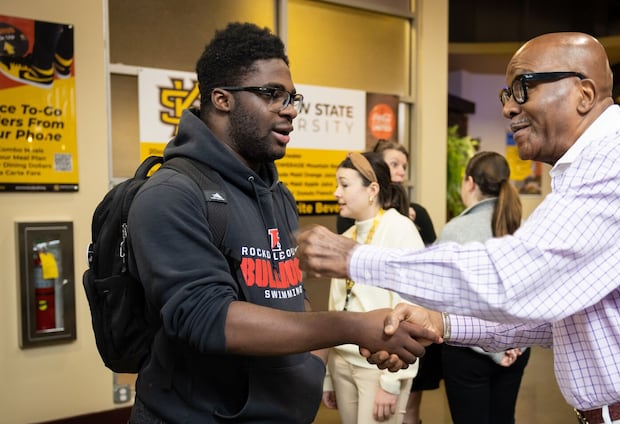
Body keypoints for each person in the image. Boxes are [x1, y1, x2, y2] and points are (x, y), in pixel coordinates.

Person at [296, 32, 620, 423]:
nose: (510, 109)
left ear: (585, 94)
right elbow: (559, 320)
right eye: (506, 95)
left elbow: (510, 278)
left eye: (523, 88)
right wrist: (442, 322)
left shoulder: (615, 165)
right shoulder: (601, 167)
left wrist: (353, 257)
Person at [125, 22, 433, 424]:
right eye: (272, 94)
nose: (289, 109)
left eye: (292, 97)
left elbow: (292, 290)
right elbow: (209, 320)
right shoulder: (171, 194)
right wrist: (351, 327)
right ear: (222, 99)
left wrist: (311, 365)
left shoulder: (275, 193)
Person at [336, 139, 439, 424]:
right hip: (343, 362)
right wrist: (329, 377)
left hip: (382, 367)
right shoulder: (346, 238)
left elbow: (413, 309)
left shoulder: (401, 230)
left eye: (344, 185)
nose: (336, 193)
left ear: (371, 190)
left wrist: (393, 381)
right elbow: (337, 305)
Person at [438, 151, 530, 424]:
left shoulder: (455, 230)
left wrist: (494, 348)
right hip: (517, 350)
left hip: (468, 353)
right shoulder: (523, 227)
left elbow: (446, 301)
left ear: (469, 183)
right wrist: (512, 345)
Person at [338, 140, 437, 245]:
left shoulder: (409, 219)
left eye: (404, 167)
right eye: (394, 164)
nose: (402, 172)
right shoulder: (351, 215)